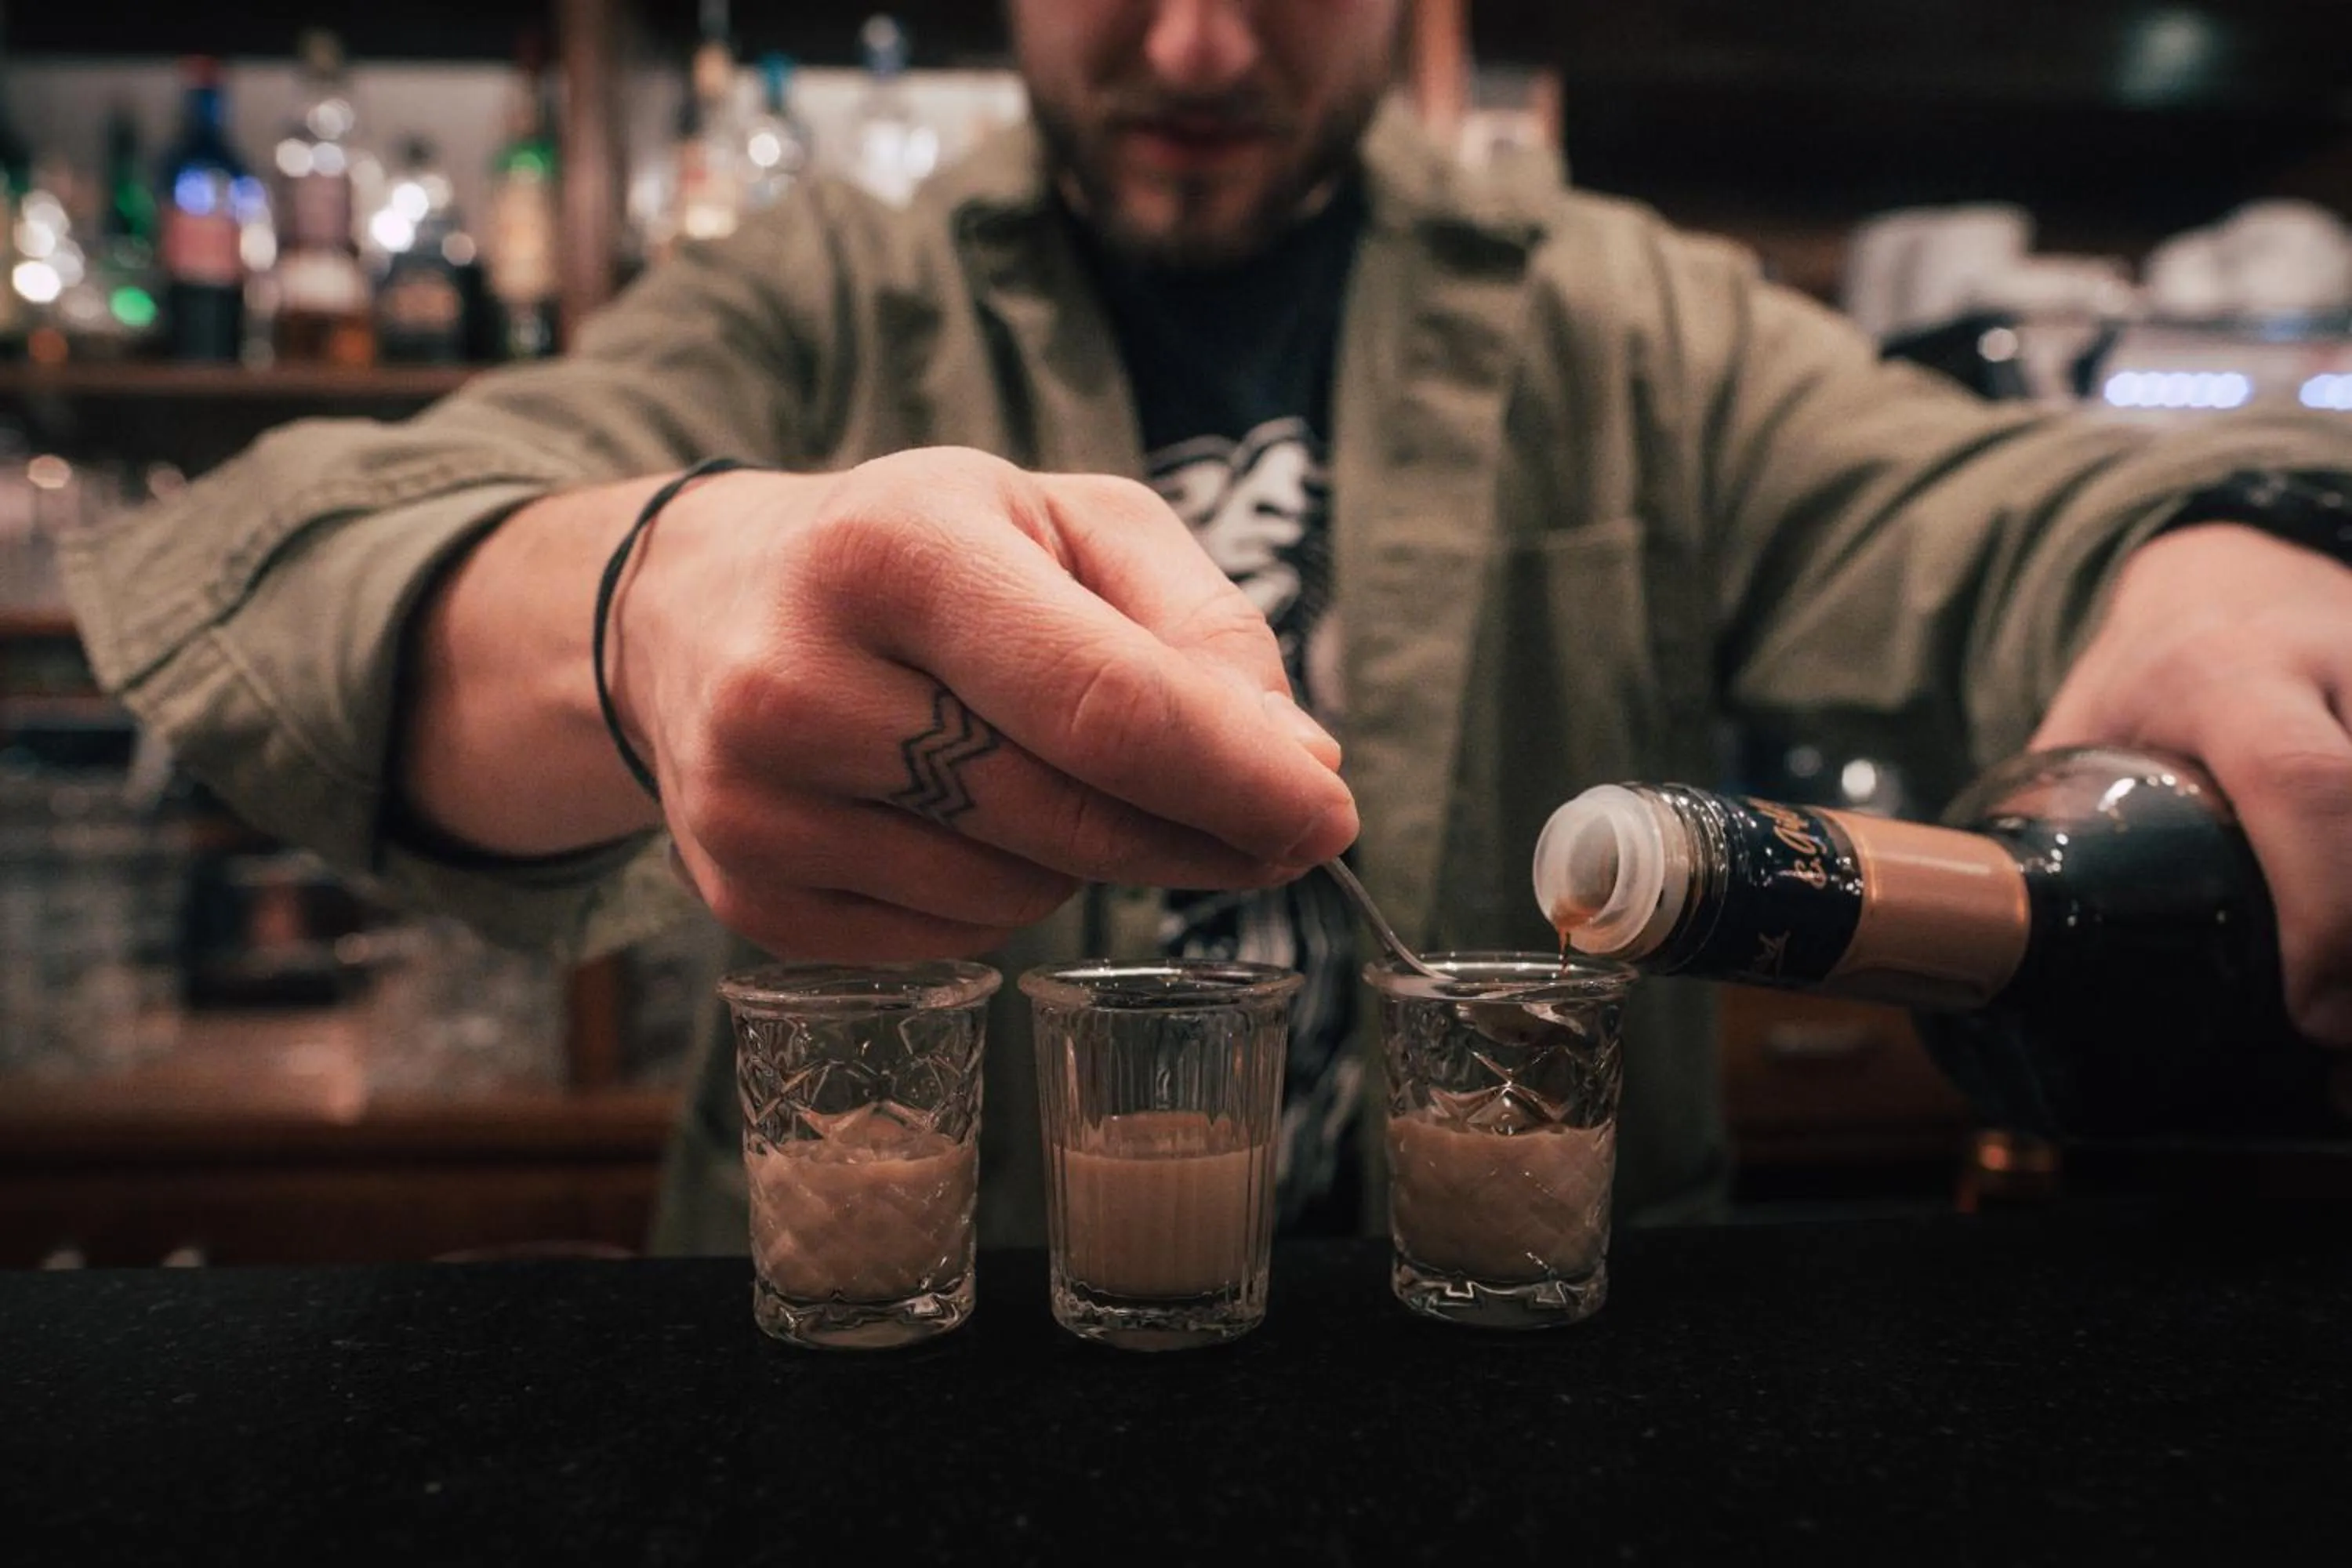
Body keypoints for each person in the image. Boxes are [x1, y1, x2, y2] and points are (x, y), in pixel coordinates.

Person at [60, 0, 2352, 1250]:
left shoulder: (1623, 315)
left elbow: (1973, 502)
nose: (1188, 44)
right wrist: (646, 604)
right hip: (902, 1392)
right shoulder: (821, 297)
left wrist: (2205, 554)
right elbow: (298, 554)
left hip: (1541, 1389)